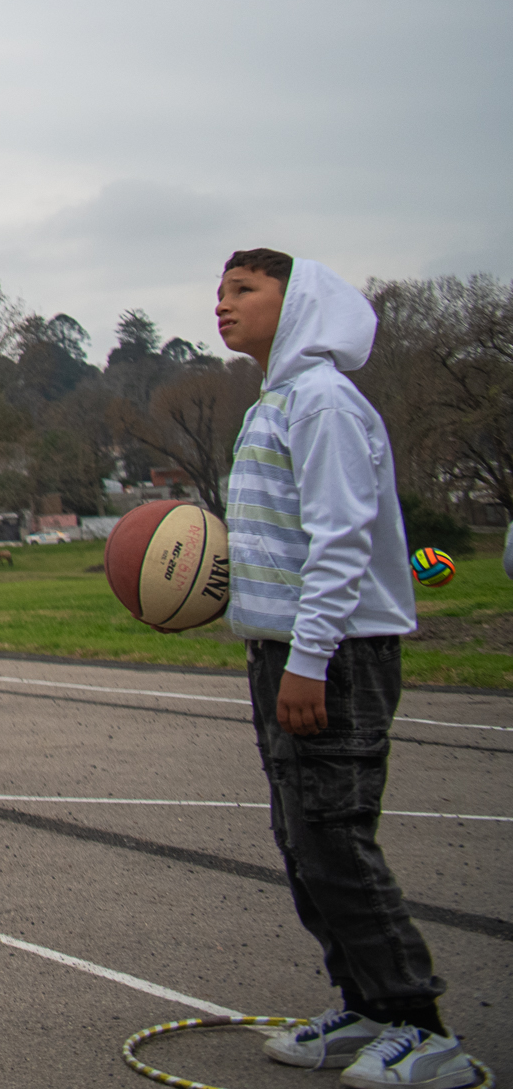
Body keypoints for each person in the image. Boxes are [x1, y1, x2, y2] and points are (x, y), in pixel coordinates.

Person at [216, 250, 483, 1089]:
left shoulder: (324, 402)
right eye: (219, 290)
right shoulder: (275, 402)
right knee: (302, 844)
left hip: (334, 655)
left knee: (336, 838)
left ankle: (423, 1026)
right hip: (282, 654)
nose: (222, 305)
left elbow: (339, 543)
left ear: (297, 303)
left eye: (243, 290)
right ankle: (364, 1005)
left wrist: (309, 660)